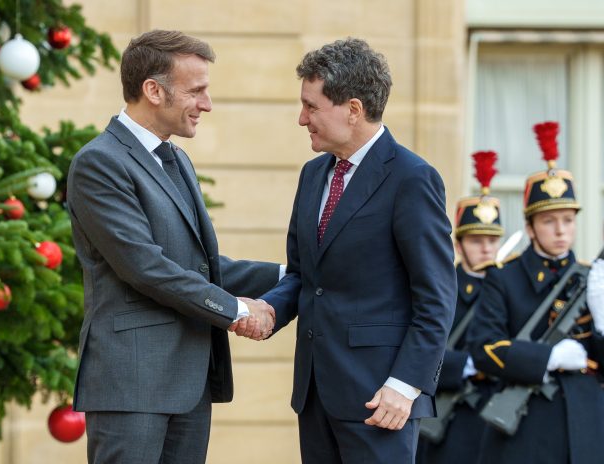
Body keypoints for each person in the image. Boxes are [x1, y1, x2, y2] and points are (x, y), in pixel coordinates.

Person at [66, 30, 281, 464]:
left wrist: (288, 274)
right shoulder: (99, 162)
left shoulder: (176, 159)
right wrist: (237, 311)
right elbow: (146, 267)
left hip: (188, 385)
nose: (207, 104)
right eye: (196, 91)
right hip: (132, 385)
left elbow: (196, 266)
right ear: (153, 91)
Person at [255, 38, 457, 464]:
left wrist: (405, 386)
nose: (301, 118)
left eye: (311, 107)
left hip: (381, 401)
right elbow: (304, 276)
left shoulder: (412, 178)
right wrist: (269, 309)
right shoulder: (313, 175)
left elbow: (436, 297)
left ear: (353, 109)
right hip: (315, 396)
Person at [467, 121, 604, 464]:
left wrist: (602, 326)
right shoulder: (504, 277)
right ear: (529, 227)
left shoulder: (592, 277)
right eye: (549, 221)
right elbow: (484, 347)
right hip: (528, 430)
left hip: (587, 425)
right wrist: (548, 358)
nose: (561, 231)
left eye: (568, 220)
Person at [417, 151, 504, 464]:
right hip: (449, 414)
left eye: (492, 241)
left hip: (496, 412)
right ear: (459, 245)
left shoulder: (508, 287)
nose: (486, 249)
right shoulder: (441, 286)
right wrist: (466, 364)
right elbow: (420, 346)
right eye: (477, 240)